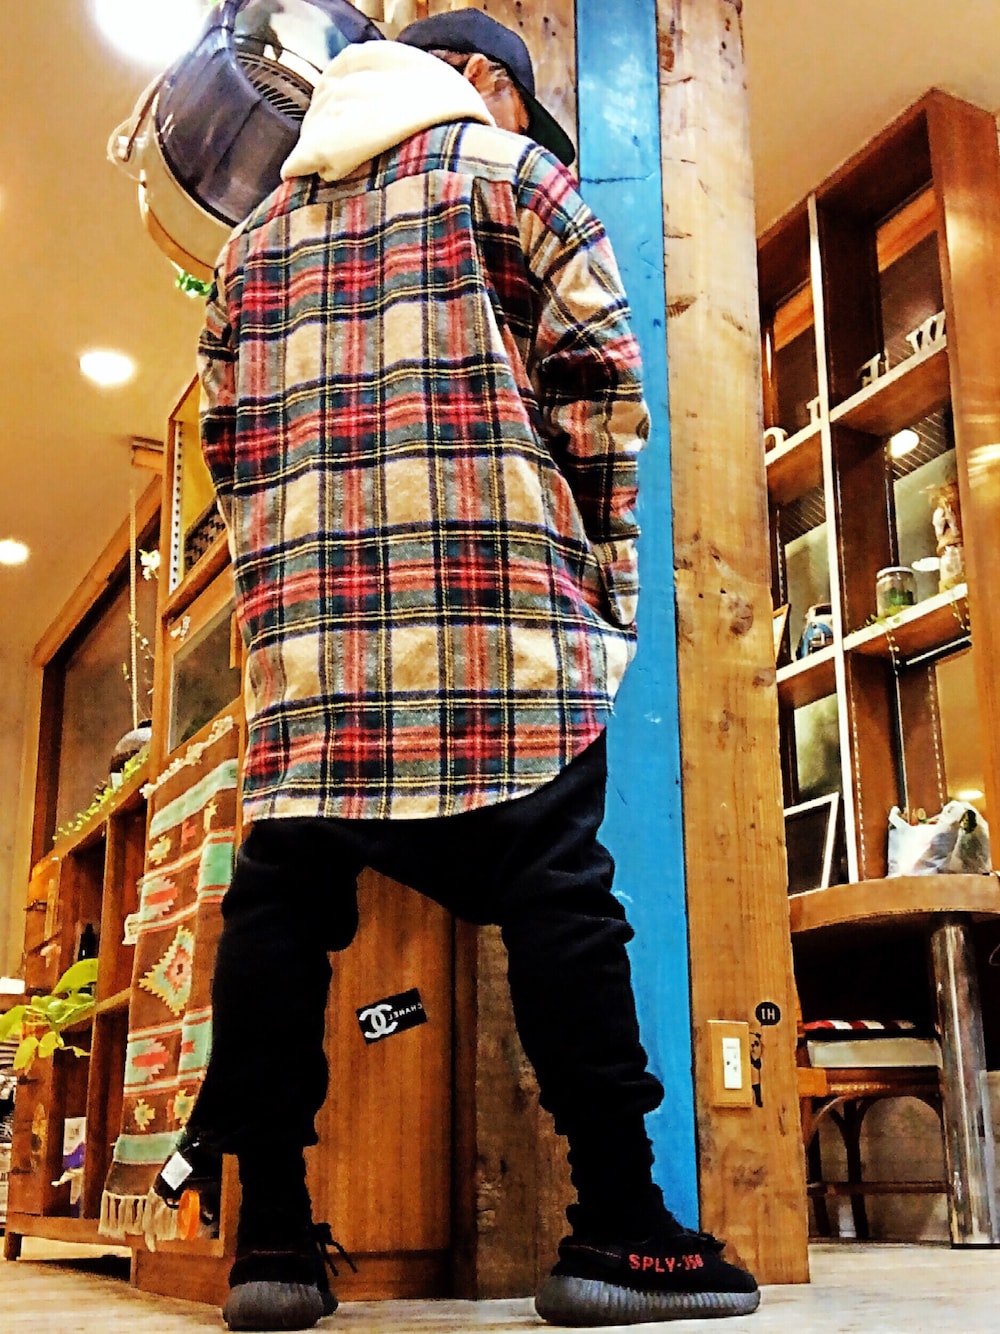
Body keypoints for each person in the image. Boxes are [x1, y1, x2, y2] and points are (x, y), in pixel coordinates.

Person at [155, 8, 759, 1330]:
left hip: (314, 659)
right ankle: (622, 1226)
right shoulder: (514, 177)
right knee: (560, 892)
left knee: (277, 908)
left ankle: (269, 1242)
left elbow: (230, 453)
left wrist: (288, 613)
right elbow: (603, 393)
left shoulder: (250, 247)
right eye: (513, 97)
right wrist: (593, 585)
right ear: (474, 78)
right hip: (500, 627)